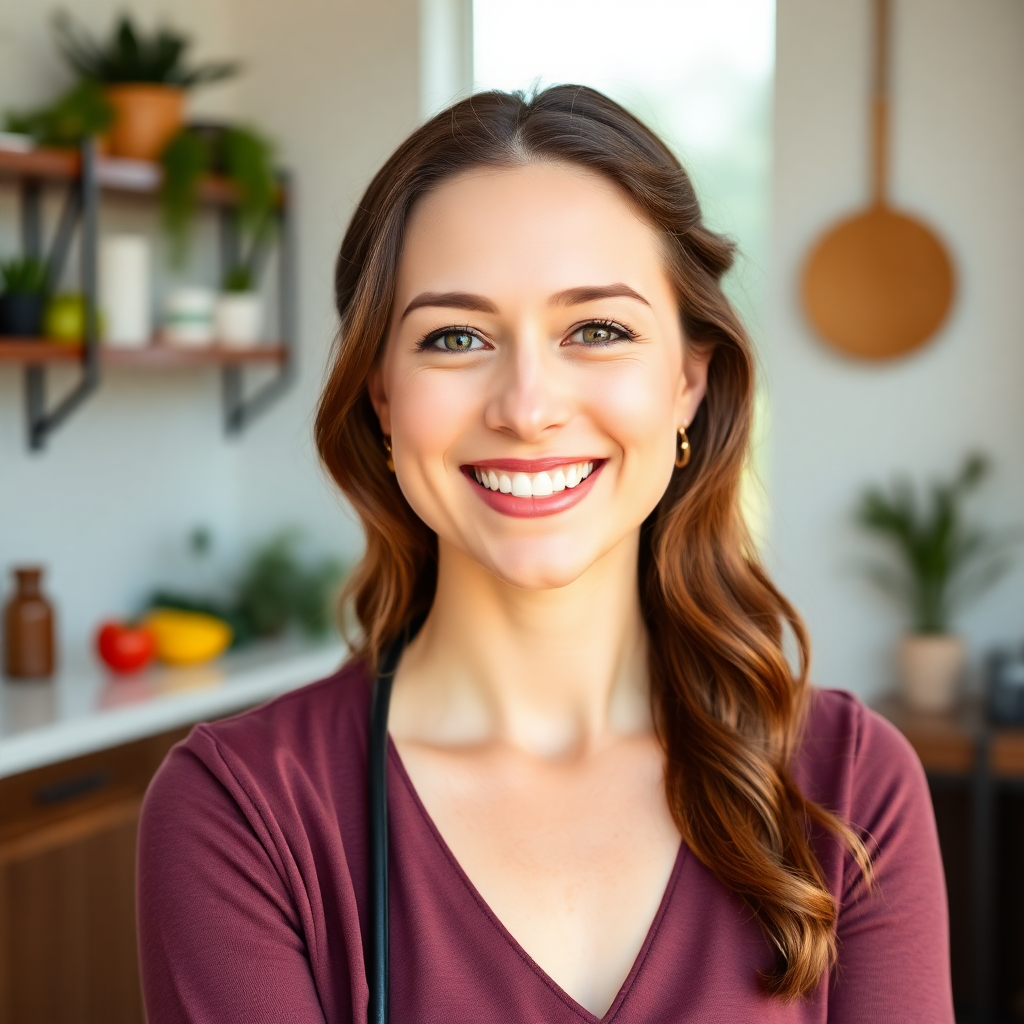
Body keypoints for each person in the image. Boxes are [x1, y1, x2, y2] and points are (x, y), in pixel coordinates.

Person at [137, 87, 953, 1023]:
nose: (527, 408)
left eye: (597, 330)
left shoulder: (850, 786)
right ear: (383, 398)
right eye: (455, 337)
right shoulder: (243, 813)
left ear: (688, 380)